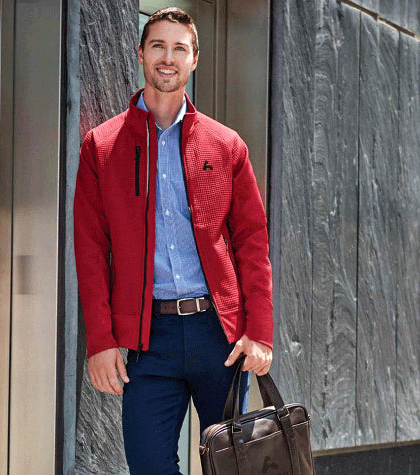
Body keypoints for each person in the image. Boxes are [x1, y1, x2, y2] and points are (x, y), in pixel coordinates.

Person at [73, 7, 273, 474]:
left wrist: (259, 332)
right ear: (141, 53)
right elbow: (88, 247)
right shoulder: (101, 146)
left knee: (231, 467)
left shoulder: (226, 146)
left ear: (194, 59)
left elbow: (251, 241)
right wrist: (101, 340)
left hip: (218, 337)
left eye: (179, 48)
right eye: (158, 46)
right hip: (148, 341)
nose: (168, 57)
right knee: (148, 465)